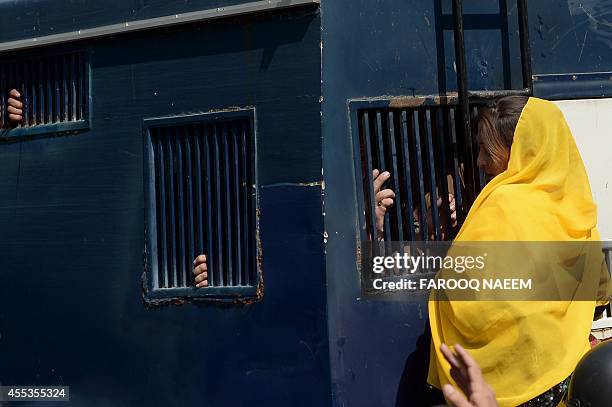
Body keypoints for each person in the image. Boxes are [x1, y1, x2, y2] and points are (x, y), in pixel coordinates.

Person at [378, 96, 611, 406]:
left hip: (502, 389)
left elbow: (465, 300)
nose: (479, 162)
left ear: (519, 150)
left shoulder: (503, 205)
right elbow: (599, 298)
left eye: (487, 150)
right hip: (566, 380)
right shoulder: (577, 210)